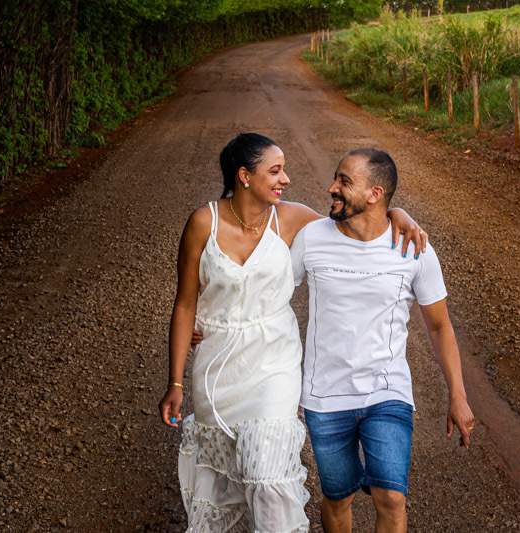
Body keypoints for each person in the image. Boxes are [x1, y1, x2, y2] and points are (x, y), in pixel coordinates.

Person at [158, 133, 426, 532]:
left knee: (267, 476)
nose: (285, 179)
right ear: (245, 176)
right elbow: (185, 304)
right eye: (276, 170)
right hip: (218, 366)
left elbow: (357, 221)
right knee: (228, 479)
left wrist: (397, 213)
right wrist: (175, 382)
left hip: (274, 362)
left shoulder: (292, 218)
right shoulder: (203, 223)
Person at [290, 148, 475, 533]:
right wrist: (218, 322)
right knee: (337, 498)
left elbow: (440, 326)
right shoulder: (312, 238)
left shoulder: (414, 248)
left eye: (344, 182)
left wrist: (458, 395)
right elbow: (271, 295)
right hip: (325, 396)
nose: (331, 188)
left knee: (391, 497)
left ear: (375, 194)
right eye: (335, 178)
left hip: (387, 392)